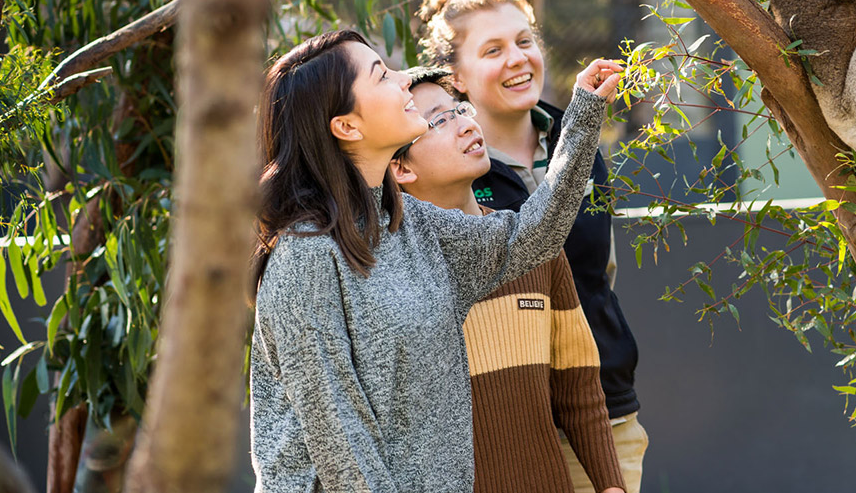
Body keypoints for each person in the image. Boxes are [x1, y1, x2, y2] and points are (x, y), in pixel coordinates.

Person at [249, 29, 621, 493]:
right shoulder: (305, 255)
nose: (404, 81)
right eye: (382, 75)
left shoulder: (410, 223)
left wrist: (582, 115)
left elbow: (528, 240)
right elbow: (340, 443)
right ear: (347, 126)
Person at [417, 0, 648, 493]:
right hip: (507, 428)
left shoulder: (577, 135)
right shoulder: (449, 172)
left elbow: (600, 272)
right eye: (493, 50)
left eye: (524, 41)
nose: (517, 59)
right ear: (455, 76)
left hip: (605, 412)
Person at [389, 67, 625, 493]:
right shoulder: (392, 273)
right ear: (399, 168)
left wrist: (610, 485)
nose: (465, 123)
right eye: (439, 121)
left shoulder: (534, 248)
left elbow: (578, 387)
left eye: (461, 109)